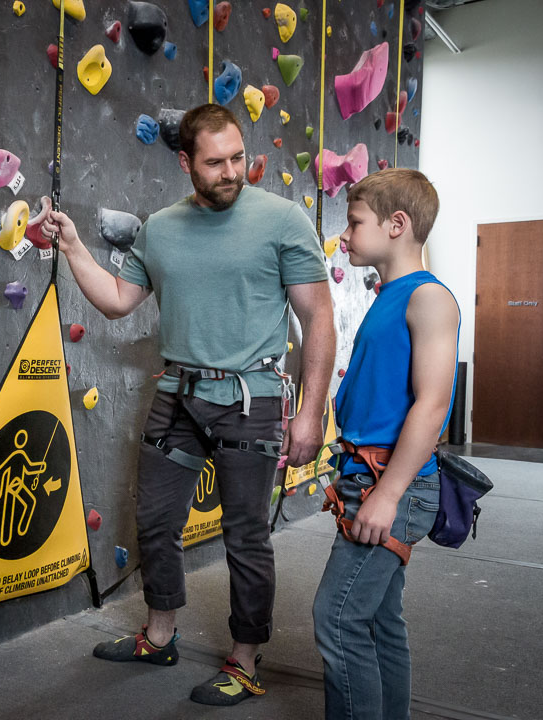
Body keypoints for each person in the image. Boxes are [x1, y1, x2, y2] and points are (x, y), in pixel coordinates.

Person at [40, 104, 335, 706]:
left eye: (237, 158)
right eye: (215, 162)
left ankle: (247, 661)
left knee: (245, 536)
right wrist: (72, 248)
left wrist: (310, 411)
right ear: (185, 162)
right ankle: (159, 634)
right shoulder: (160, 228)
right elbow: (120, 300)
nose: (231, 172)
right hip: (178, 396)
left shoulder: (282, 220)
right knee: (154, 521)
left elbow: (317, 316)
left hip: (251, 400)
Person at [312, 168, 459, 720]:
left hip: (389, 484)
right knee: (376, 619)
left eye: (354, 222)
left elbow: (432, 403)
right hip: (366, 476)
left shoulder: (428, 298)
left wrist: (388, 494)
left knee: (337, 617)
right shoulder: (390, 294)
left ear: (397, 224)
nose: (344, 236)